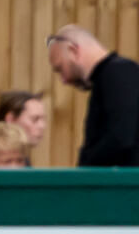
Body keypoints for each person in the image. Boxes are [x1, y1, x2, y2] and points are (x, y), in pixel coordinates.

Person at [47, 25, 139, 167]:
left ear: (73, 50)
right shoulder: (109, 76)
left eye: (60, 68)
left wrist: (86, 170)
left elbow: (121, 136)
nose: (64, 80)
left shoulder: (118, 72)